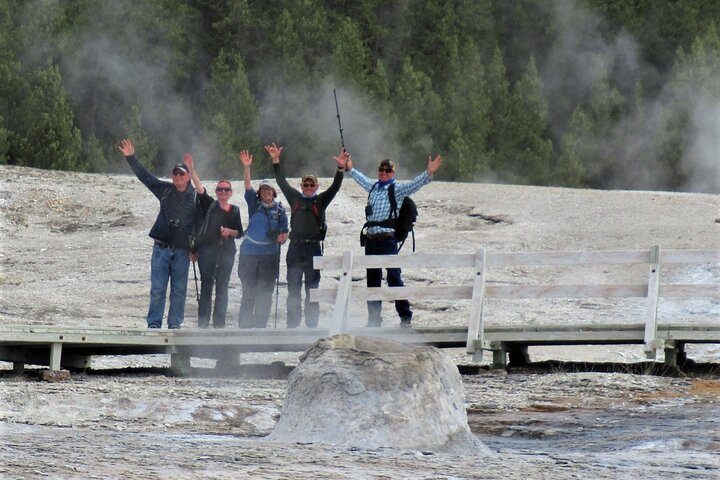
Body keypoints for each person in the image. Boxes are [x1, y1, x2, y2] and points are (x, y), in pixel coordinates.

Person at [346, 154, 443, 327]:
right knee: (373, 280)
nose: (383, 173)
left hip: (387, 240)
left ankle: (405, 316)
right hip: (371, 240)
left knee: (394, 278)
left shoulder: (396, 190)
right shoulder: (374, 187)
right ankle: (374, 320)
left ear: (393, 173)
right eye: (381, 170)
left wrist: (428, 173)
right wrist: (350, 168)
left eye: (387, 170)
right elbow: (361, 180)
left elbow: (413, 185)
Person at [118, 139, 203, 329]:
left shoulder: (196, 195)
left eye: (182, 173)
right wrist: (131, 158)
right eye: (175, 173)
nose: (178, 176)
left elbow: (200, 223)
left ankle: (175, 326)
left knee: (179, 291)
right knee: (157, 289)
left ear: (188, 177)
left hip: (182, 250)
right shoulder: (165, 189)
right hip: (161, 248)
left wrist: (196, 248)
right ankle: (154, 326)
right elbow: (145, 177)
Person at [266, 143, 349, 328]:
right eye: (306, 184)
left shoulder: (320, 201)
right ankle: (293, 326)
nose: (309, 187)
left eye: (312, 184)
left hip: (313, 248)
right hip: (295, 247)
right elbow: (281, 182)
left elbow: (335, 187)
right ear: (301, 185)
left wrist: (340, 168)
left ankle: (312, 326)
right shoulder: (295, 197)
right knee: (293, 289)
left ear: (317, 186)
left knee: (312, 290)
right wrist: (276, 160)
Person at [237, 149, 289, 328]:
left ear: (274, 193)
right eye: (263, 190)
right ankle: (244, 326)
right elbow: (247, 187)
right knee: (249, 291)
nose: (266, 192)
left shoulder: (281, 210)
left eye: (269, 190)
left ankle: (260, 327)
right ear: (260, 193)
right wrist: (247, 168)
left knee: (265, 292)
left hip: (269, 255)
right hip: (250, 254)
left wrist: (282, 237)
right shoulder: (254, 204)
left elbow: (284, 231)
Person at [194, 179, 244, 328]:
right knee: (206, 287)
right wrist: (191, 169)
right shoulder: (211, 205)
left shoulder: (235, 210)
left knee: (222, 288)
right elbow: (200, 189)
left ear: (231, 192)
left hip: (226, 252)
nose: (223, 192)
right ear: (216, 192)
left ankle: (219, 325)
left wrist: (229, 231)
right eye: (220, 189)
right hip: (207, 252)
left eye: (226, 189)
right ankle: (202, 325)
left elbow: (239, 232)